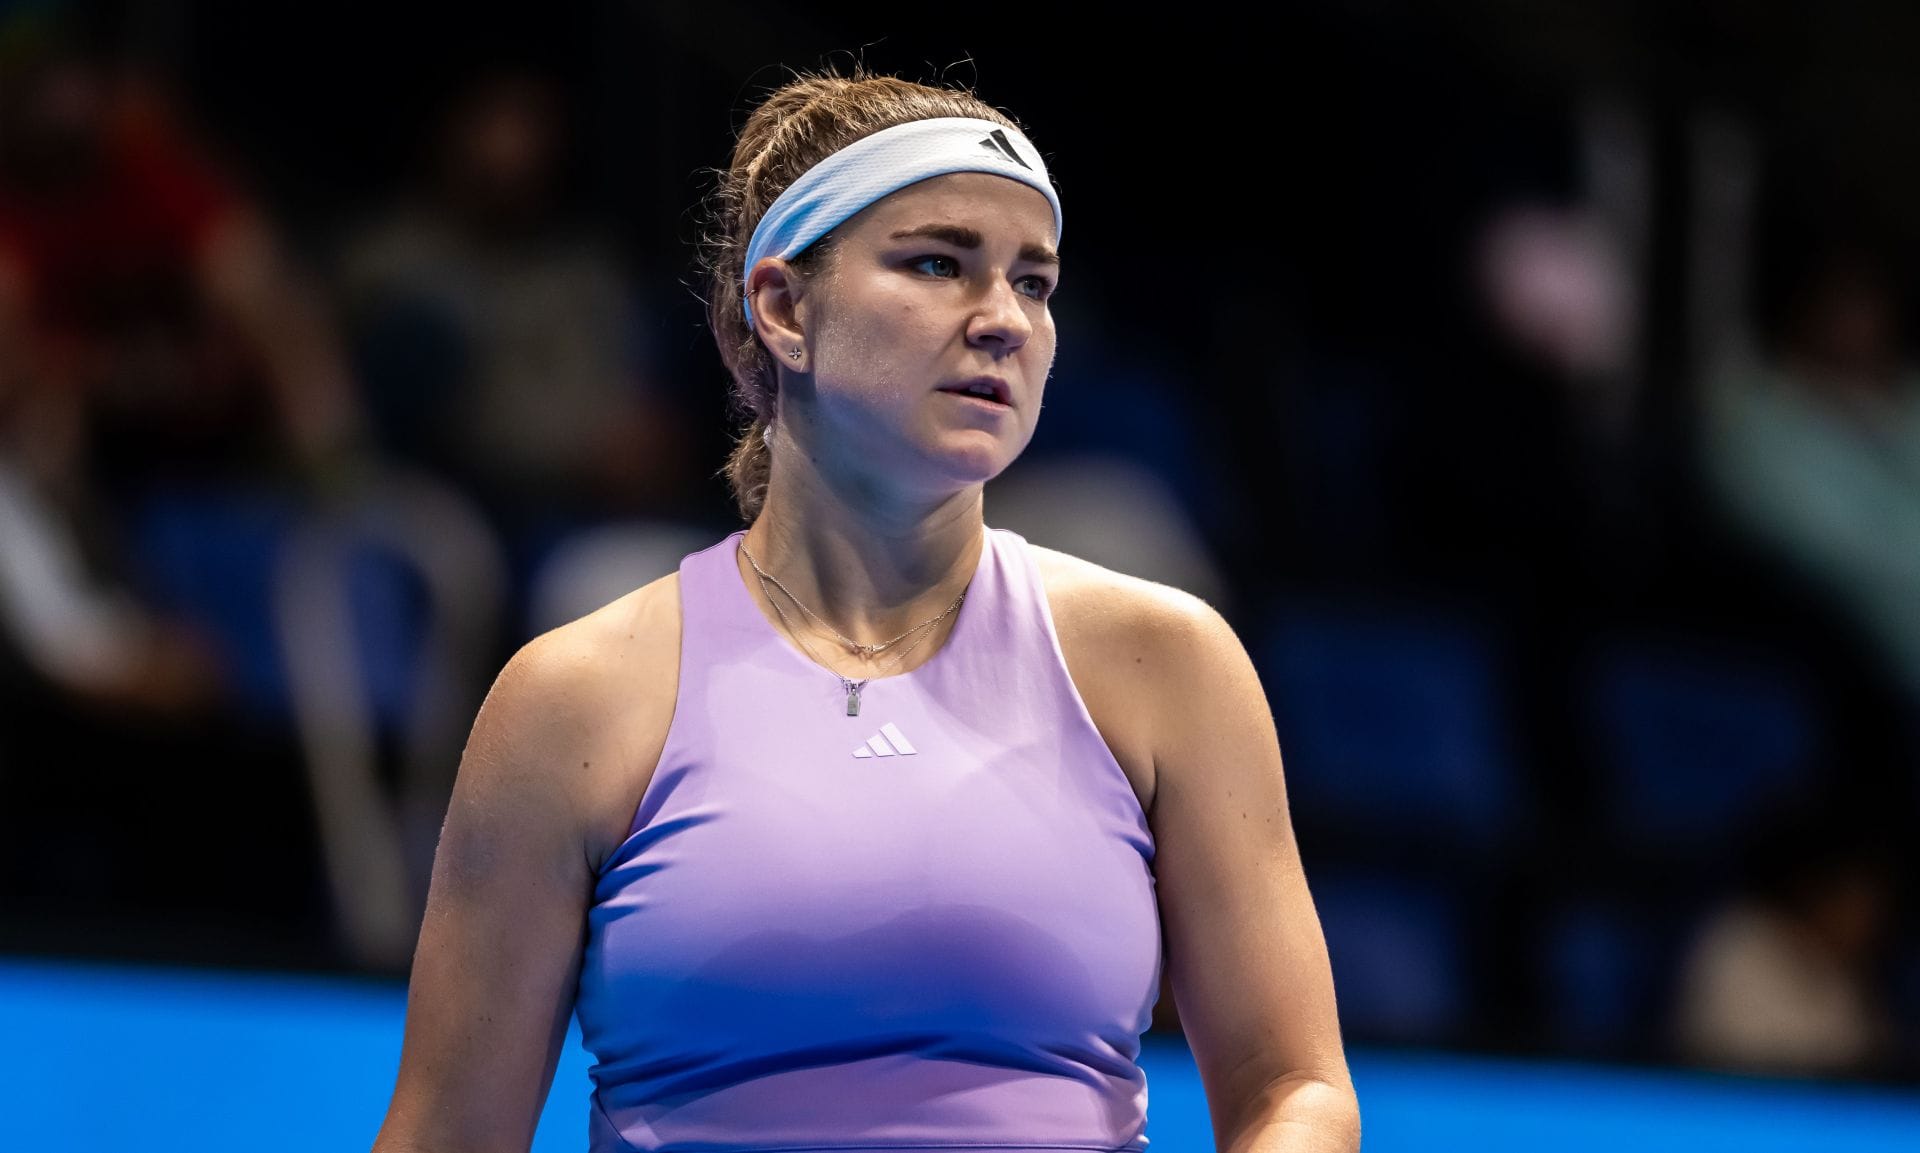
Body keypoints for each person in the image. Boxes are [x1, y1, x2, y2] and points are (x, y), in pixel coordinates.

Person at [372, 66, 1359, 1152]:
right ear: (785, 307)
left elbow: (1293, 1090)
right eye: (938, 263)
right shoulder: (572, 699)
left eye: (1034, 282)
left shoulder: (1168, 664)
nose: (1002, 321)